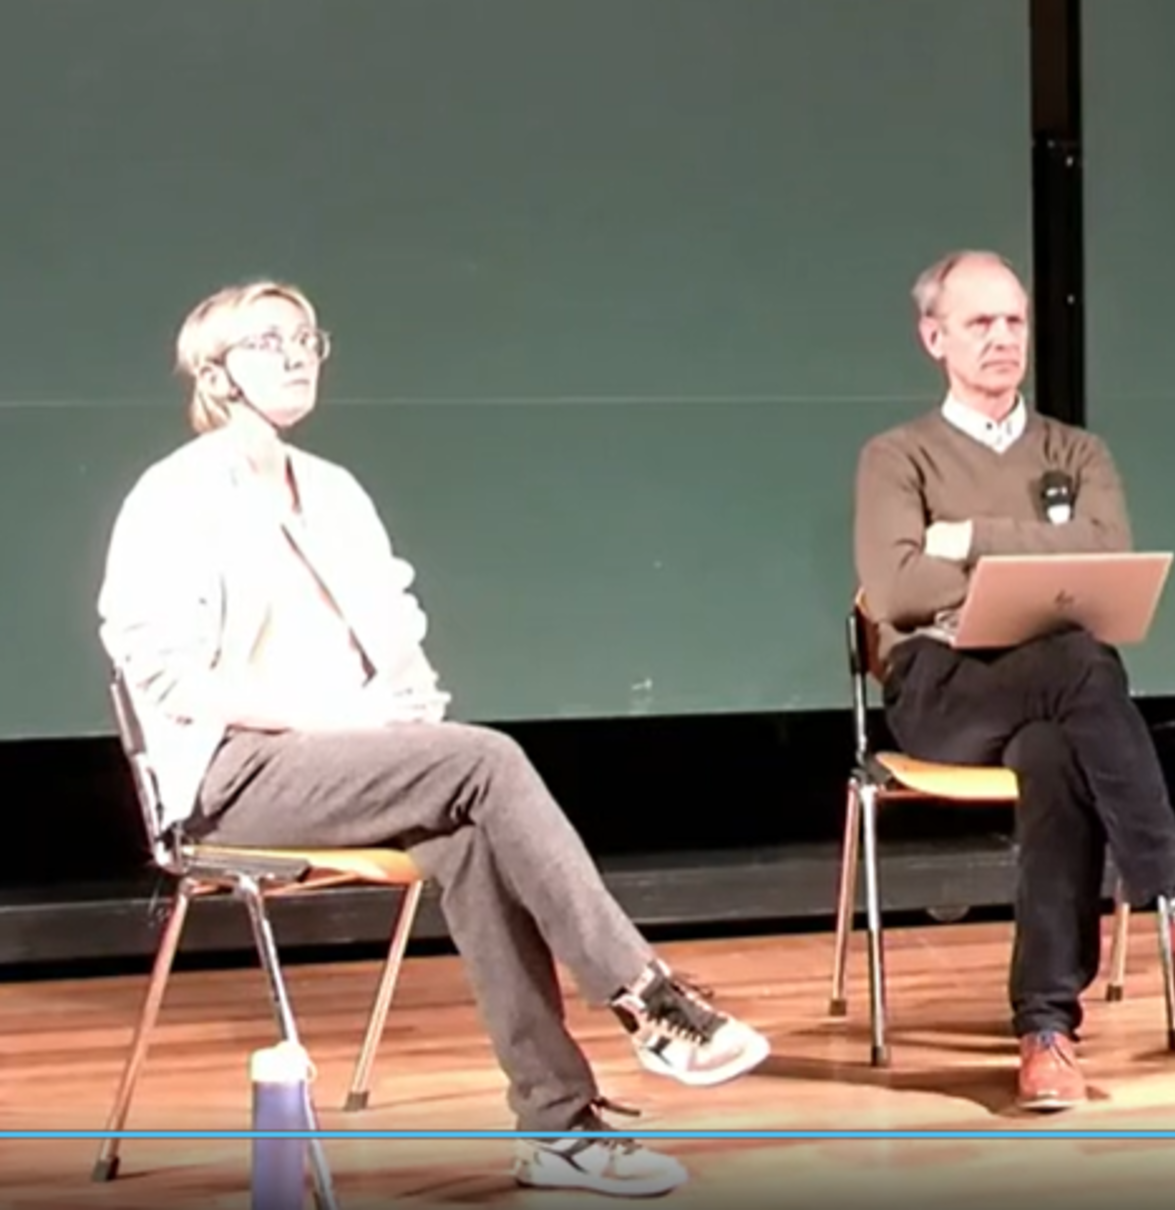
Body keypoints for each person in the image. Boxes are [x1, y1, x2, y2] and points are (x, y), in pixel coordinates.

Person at [97, 280, 770, 1197]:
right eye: (269, 341)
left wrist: (408, 707)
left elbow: (394, 628)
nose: (296, 355)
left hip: (348, 761)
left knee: (471, 837)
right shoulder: (174, 495)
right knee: (485, 759)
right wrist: (333, 718)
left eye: (307, 337)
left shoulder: (333, 490)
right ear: (215, 374)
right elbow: (165, 675)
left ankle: (559, 1129)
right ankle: (649, 999)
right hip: (231, 774)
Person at [852, 249, 1175, 1113]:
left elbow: (1107, 552)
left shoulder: (1077, 451)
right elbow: (898, 589)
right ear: (933, 337)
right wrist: (1031, 551)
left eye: (1014, 321)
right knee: (1081, 663)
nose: (1002, 338)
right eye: (979, 322)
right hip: (944, 689)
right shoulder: (897, 456)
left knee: (1059, 745)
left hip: (1054, 696)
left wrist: (966, 539)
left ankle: (1045, 1031)